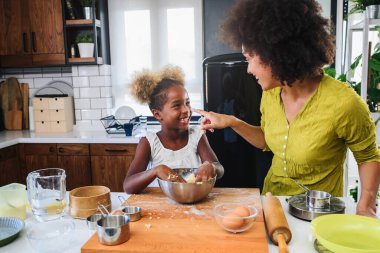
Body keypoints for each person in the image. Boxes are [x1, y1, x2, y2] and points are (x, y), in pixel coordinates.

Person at [193, 0, 380, 218]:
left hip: (319, 214)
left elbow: (368, 156)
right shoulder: (270, 94)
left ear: (277, 52)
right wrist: (232, 122)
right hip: (273, 205)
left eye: (250, 58)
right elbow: (266, 140)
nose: (249, 69)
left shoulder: (344, 103)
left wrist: (365, 206)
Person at [123, 65, 224, 194]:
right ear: (157, 114)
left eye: (187, 103)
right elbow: (128, 186)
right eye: (177, 105)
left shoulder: (196, 135)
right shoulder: (149, 142)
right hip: (161, 206)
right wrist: (156, 170)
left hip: (195, 201)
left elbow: (220, 169)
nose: (186, 110)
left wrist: (211, 166)